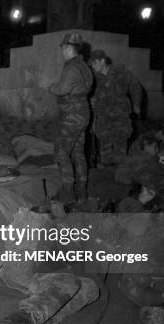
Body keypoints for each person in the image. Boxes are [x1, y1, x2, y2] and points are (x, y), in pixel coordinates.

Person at [48, 32, 93, 203]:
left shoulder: (71, 66)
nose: (62, 51)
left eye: (63, 48)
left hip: (72, 115)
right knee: (78, 152)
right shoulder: (84, 66)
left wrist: (51, 87)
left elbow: (62, 89)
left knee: (61, 151)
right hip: (83, 113)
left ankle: (67, 192)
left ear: (67, 47)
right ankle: (82, 191)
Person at [88, 49, 143, 166]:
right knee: (104, 148)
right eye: (91, 63)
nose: (93, 66)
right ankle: (106, 176)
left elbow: (135, 86)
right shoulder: (93, 78)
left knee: (121, 147)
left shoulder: (120, 72)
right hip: (103, 117)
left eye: (95, 62)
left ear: (103, 61)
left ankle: (121, 174)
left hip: (120, 116)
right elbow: (89, 95)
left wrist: (136, 104)